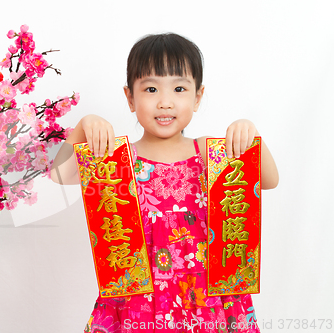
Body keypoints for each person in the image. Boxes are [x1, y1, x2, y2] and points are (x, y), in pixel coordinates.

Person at [50, 33, 279, 332]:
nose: (165, 102)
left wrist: (250, 136)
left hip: (208, 300)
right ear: (130, 98)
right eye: (151, 88)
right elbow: (59, 175)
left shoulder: (213, 154)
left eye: (180, 88)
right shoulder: (116, 162)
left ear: (197, 97)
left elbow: (269, 180)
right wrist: (83, 125)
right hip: (139, 302)